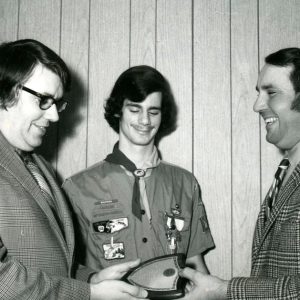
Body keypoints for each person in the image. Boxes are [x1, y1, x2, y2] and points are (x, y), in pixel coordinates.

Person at [0, 39, 148, 300]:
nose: (55, 116)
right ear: (6, 92)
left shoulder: (40, 167)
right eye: (44, 100)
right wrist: (88, 293)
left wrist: (91, 278)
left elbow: (49, 260)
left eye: (57, 103)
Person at [63, 65, 214, 273]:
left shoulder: (185, 183)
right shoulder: (77, 188)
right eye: (135, 110)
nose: (145, 120)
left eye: (153, 111)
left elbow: (195, 263)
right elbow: (67, 268)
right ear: (118, 111)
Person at [180, 47, 300, 300]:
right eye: (259, 93)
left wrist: (222, 290)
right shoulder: (285, 172)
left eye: (272, 93)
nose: (257, 105)